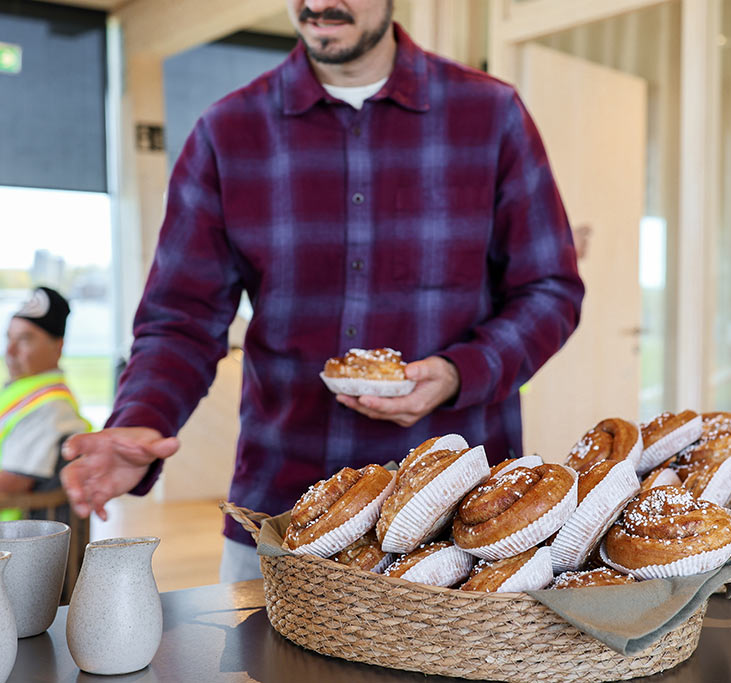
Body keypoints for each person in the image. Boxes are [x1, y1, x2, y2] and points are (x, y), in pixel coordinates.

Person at [61, 0, 585, 582]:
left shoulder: (490, 114)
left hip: (460, 527)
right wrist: (141, 416)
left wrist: (460, 371)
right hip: (283, 512)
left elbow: (549, 289)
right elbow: (180, 317)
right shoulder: (228, 131)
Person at [2, 287, 90, 518]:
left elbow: (10, 484)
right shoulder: (22, 390)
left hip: (11, 542)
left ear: (58, 346)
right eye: (8, 338)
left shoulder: (50, 407)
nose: (9, 351)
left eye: (25, 340)